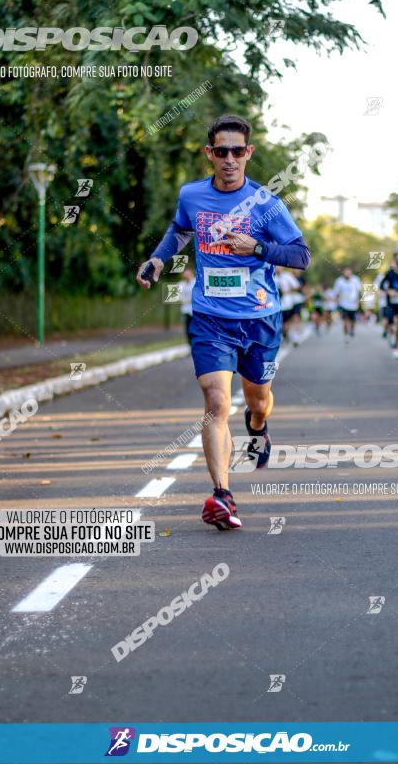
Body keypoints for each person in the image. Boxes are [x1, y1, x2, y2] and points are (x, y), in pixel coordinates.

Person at [137, 114, 310, 530]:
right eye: (221, 151)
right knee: (216, 402)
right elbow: (181, 230)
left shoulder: (267, 204)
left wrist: (259, 248)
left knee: (258, 399)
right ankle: (222, 495)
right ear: (209, 154)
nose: (229, 159)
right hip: (210, 317)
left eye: (237, 151)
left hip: (260, 318)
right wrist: (159, 258)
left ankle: (259, 425)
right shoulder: (192, 195)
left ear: (248, 153)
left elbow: (301, 256)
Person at [333, 267, 362, 343]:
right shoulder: (339, 281)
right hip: (343, 305)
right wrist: (336, 302)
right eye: (346, 273)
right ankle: (346, 336)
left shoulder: (356, 280)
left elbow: (359, 292)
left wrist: (359, 301)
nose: (348, 274)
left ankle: (352, 329)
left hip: (353, 305)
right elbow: (336, 293)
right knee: (345, 321)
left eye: (349, 273)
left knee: (352, 321)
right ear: (343, 273)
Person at [179, 268, 195, 345]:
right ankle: (190, 344)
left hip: (196, 310)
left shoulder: (196, 282)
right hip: (186, 310)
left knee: (196, 328)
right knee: (188, 328)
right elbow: (179, 297)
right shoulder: (181, 284)